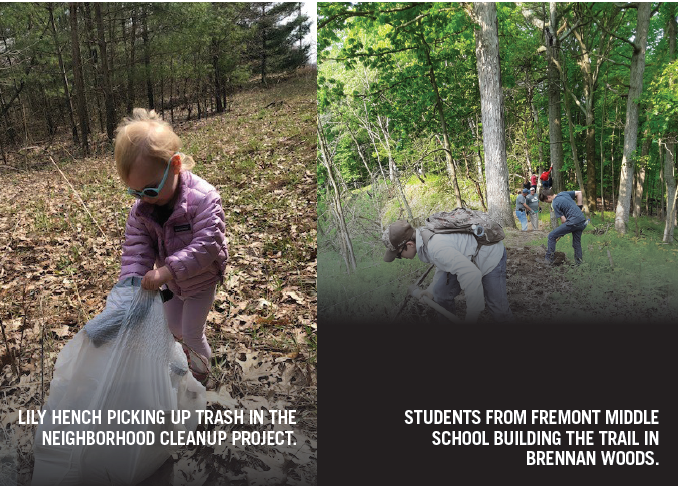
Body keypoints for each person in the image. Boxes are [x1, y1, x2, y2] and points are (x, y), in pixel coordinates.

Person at [114, 108, 229, 383]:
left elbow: (208, 244)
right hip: (173, 284)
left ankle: (202, 379)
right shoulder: (142, 210)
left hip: (201, 279)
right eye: (135, 192)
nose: (145, 198)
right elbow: (137, 250)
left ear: (175, 165)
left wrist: (167, 271)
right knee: (172, 326)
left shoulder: (203, 198)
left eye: (151, 190)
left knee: (191, 333)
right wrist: (129, 286)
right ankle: (184, 362)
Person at [382, 220, 514, 324]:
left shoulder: (435, 246)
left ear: (410, 244)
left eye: (398, 255)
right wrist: (431, 290)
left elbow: (472, 275)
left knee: (498, 310)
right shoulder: (424, 238)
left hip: (489, 253)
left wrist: (471, 317)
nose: (400, 258)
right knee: (441, 291)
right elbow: (443, 263)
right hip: (465, 257)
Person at [539, 189, 587, 265]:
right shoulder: (563, 193)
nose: (546, 202)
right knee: (576, 243)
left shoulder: (555, 203)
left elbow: (564, 220)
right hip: (581, 220)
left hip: (573, 222)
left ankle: (548, 260)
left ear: (548, 197)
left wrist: (562, 231)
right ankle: (579, 264)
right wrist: (579, 207)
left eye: (545, 201)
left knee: (551, 236)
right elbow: (579, 193)